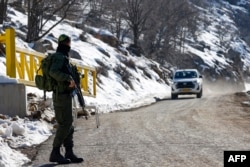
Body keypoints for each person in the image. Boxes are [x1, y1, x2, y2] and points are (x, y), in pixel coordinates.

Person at [48, 34, 84, 164]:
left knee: (69, 124)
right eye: (69, 42)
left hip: (65, 95)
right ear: (66, 43)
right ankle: (55, 152)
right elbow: (53, 72)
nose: (70, 45)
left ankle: (69, 152)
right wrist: (68, 79)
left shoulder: (63, 56)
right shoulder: (58, 57)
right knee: (65, 124)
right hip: (61, 96)